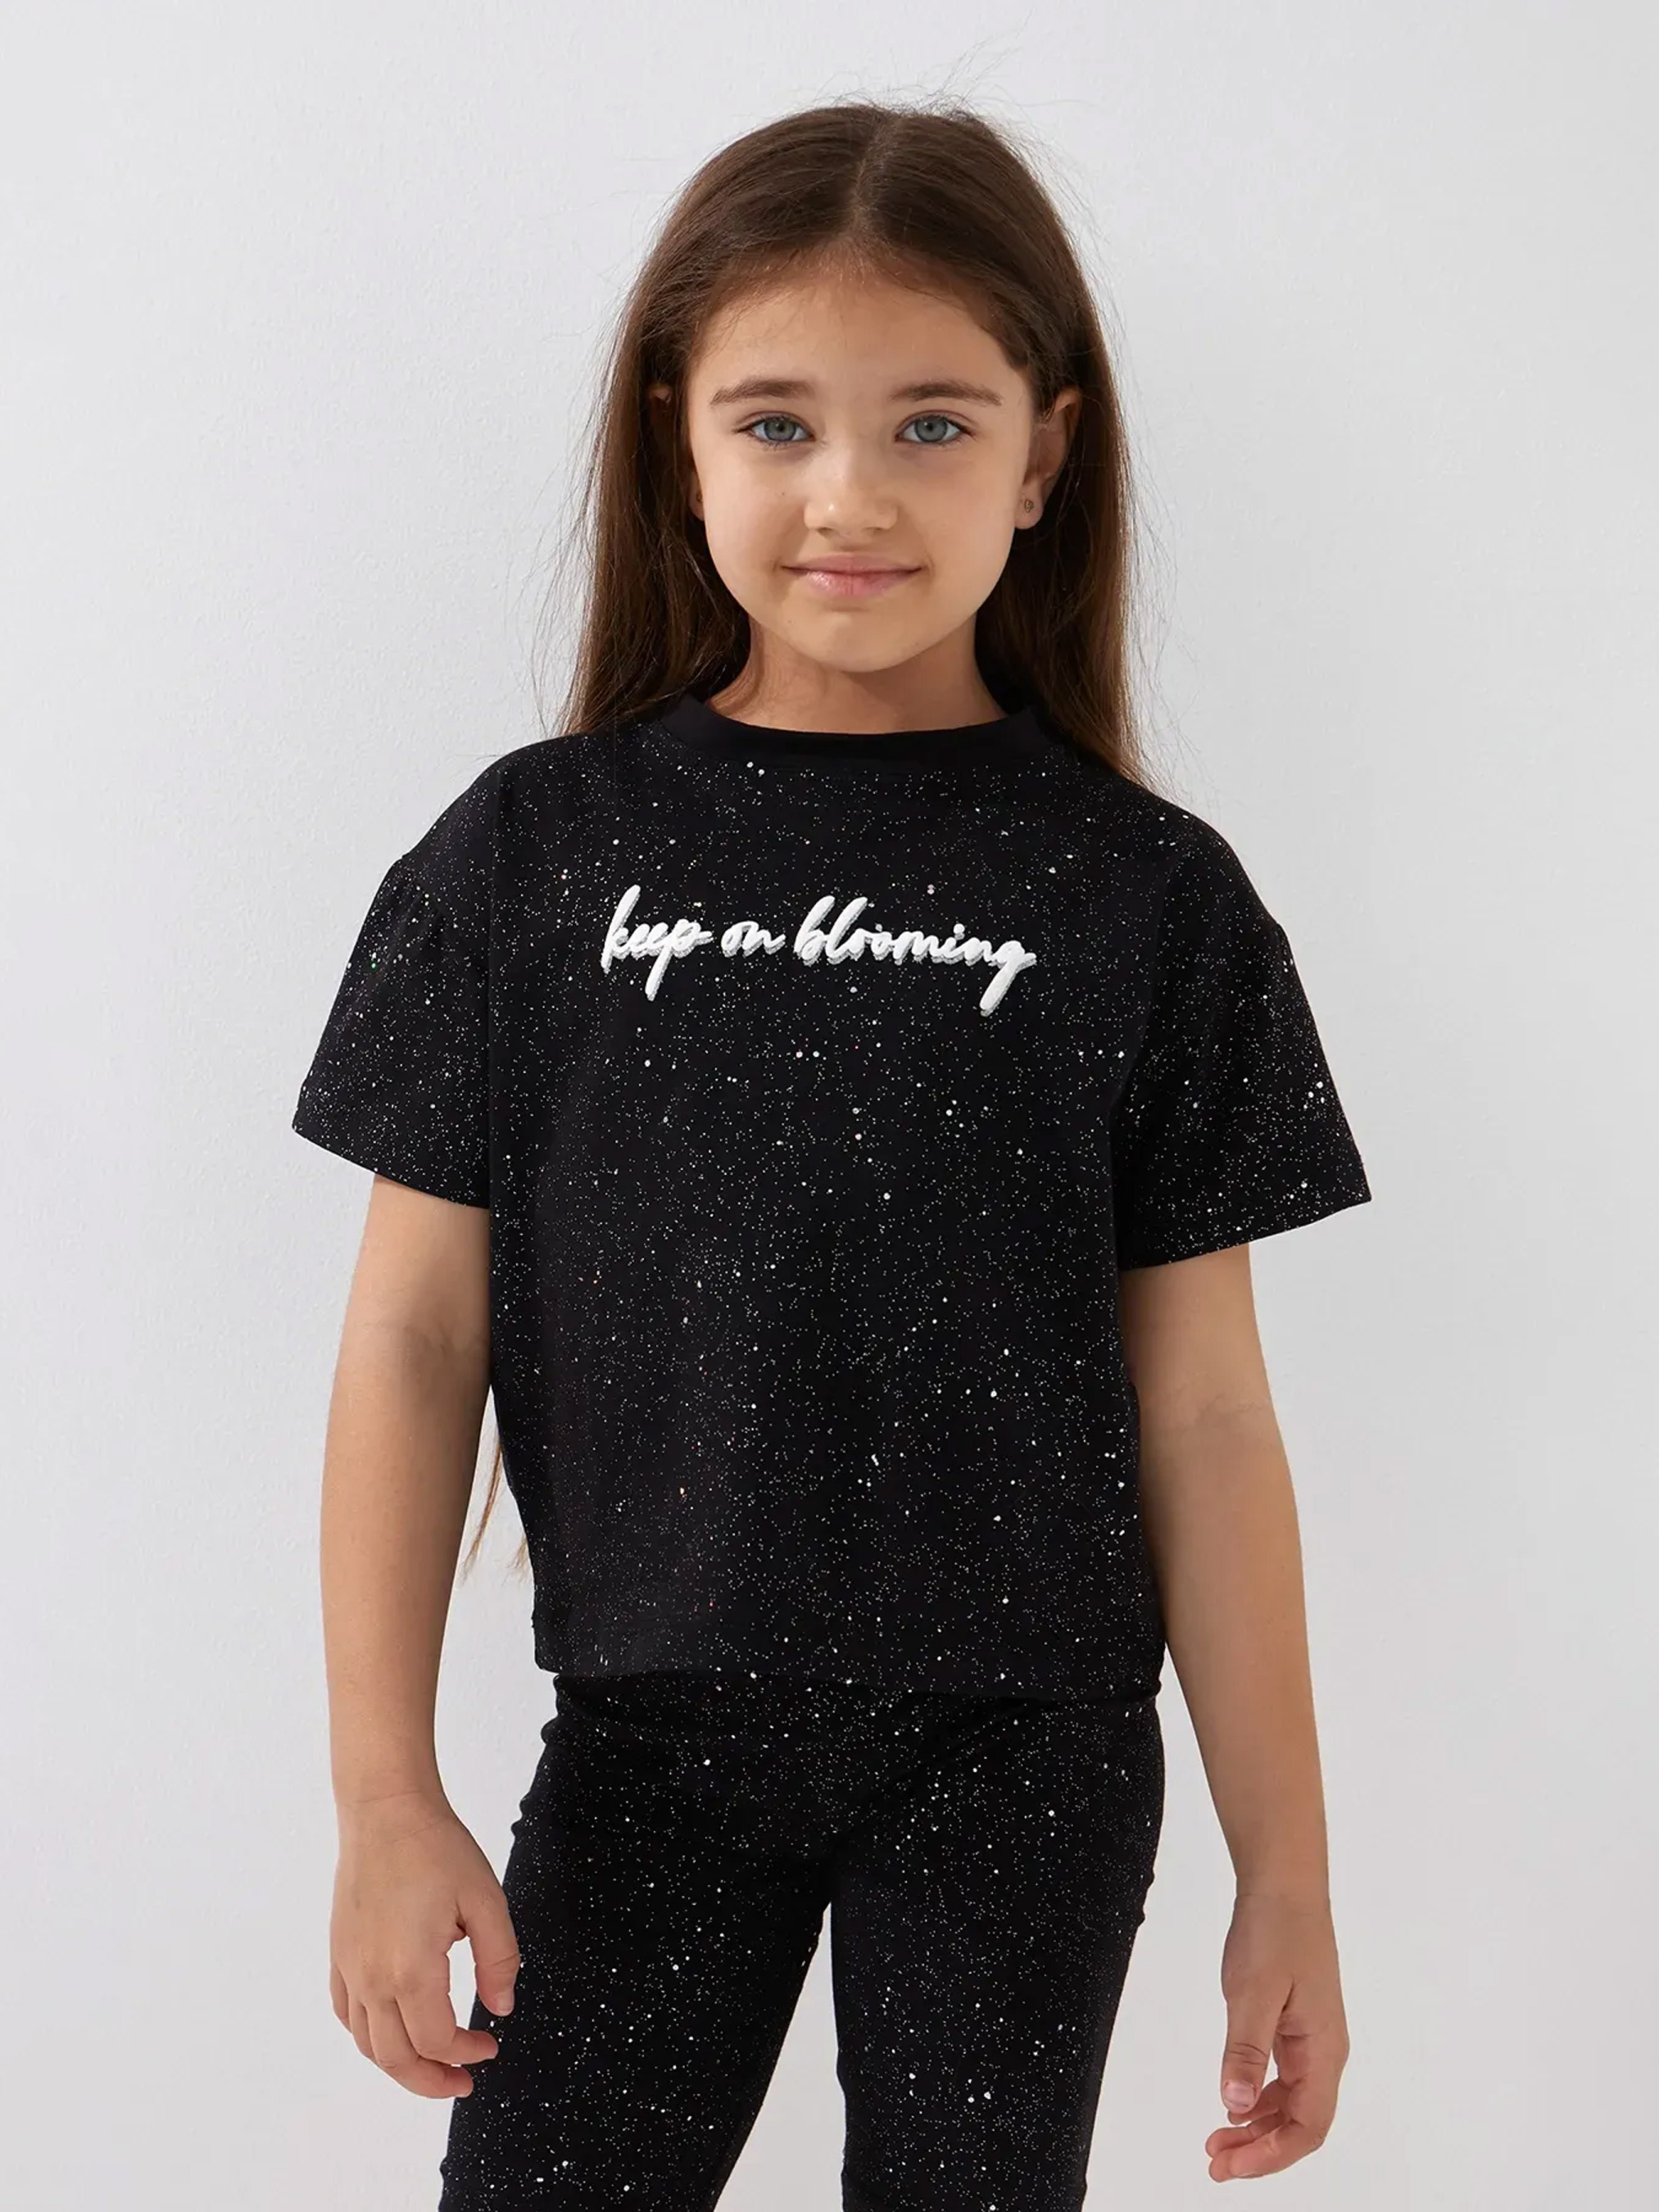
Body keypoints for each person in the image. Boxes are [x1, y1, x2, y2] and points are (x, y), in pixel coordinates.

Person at [292, 97, 1373, 2209]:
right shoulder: (531, 860)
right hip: (646, 1743)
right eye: (777, 423)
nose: (851, 494)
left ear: (1046, 455)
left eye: (934, 425)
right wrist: (381, 1793)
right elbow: (412, 1344)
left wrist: (1292, 1872)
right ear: (677, 442)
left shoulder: (1151, 901)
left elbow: (1210, 1414)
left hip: (1026, 1760)